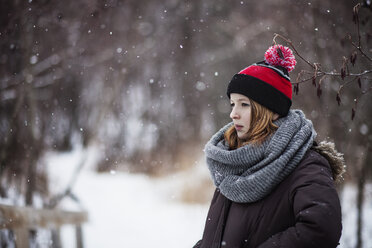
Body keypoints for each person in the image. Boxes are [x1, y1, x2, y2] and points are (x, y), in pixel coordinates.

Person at [194, 45, 345, 248]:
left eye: (244, 104)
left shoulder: (306, 165)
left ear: (271, 110)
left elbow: (321, 229)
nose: (233, 114)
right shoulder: (233, 159)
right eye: (233, 104)